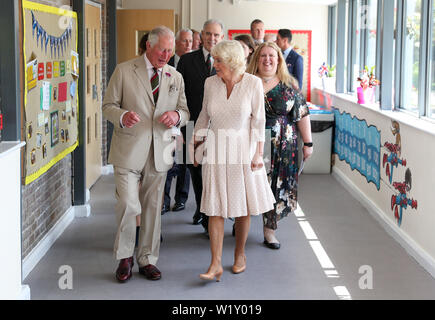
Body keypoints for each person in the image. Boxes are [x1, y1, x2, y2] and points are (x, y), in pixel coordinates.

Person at [103, 26, 190, 282]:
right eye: (163, 49)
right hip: (128, 150)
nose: (167, 54)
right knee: (129, 204)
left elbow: (184, 111)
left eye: (170, 50)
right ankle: (125, 257)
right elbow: (108, 105)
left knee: (152, 207)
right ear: (149, 46)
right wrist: (121, 116)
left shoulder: (175, 76)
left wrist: (177, 116)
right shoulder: (124, 70)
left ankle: (147, 259)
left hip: (160, 151)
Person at [194, 40, 275, 281]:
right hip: (216, 150)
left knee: (242, 208)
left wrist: (259, 153)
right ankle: (215, 264)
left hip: (243, 151)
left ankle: (240, 254)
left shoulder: (253, 84)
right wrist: (194, 145)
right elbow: (203, 116)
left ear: (231, 61)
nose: (214, 64)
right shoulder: (210, 83)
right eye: (214, 59)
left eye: (218, 60)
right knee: (214, 208)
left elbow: (259, 121)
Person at [247, 42, 313, 249]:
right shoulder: (246, 83)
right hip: (251, 144)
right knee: (250, 184)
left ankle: (270, 231)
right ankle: (242, 223)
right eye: (263, 56)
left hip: (284, 146)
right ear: (256, 59)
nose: (267, 59)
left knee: (276, 186)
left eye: (272, 56)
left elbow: (302, 115)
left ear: (279, 60)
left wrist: (308, 143)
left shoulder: (289, 85)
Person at [177, 19, 225, 236]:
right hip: (192, 125)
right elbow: (178, 95)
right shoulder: (186, 61)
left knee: (216, 170)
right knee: (195, 170)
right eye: (208, 34)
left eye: (216, 35)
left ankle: (213, 212)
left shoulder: (228, 61)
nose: (212, 38)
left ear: (222, 37)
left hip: (221, 128)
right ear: (201, 36)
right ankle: (202, 209)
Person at [163, 28, 193, 214]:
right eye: (184, 41)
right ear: (176, 43)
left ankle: (181, 198)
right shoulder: (168, 63)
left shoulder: (195, 62)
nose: (188, 44)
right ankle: (164, 200)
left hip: (187, 118)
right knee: (166, 161)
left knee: (184, 162)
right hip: (169, 119)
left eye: (190, 41)